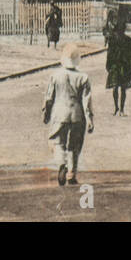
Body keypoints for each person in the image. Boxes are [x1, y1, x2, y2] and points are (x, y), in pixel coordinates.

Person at [42, 42, 94, 186]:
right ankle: (71, 174)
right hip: (77, 115)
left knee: (57, 142)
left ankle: (61, 164)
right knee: (74, 145)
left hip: (59, 114)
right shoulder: (83, 77)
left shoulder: (55, 76)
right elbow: (86, 101)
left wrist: (46, 113)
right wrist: (89, 119)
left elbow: (49, 97)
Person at [104, 17, 131, 116]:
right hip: (116, 67)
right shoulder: (112, 40)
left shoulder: (129, 41)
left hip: (124, 67)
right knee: (116, 88)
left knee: (122, 88)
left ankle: (121, 109)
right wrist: (108, 66)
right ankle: (117, 108)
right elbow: (109, 54)